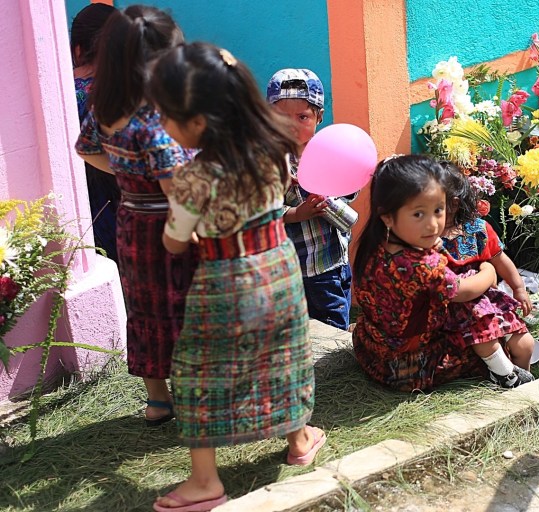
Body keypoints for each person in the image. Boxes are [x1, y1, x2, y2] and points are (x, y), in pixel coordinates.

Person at [149, 42, 325, 511]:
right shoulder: (275, 152)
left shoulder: (194, 176)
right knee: (285, 354)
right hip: (279, 268)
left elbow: (173, 241)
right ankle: (301, 439)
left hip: (225, 279)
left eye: (168, 117)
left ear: (201, 120)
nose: (163, 127)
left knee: (196, 373)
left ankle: (205, 481)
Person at [75, 5, 198, 428]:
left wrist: (130, 174)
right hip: (169, 228)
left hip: (131, 222)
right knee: (183, 307)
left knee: (145, 310)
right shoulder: (156, 122)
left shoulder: (105, 107)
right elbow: (175, 189)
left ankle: (157, 401)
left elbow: (86, 149)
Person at [353, 154, 530, 392]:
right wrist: (488, 272)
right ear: (387, 216)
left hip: (373, 347)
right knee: (481, 330)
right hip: (406, 367)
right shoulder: (420, 265)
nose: (433, 224)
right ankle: (506, 375)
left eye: (438, 210)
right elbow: (463, 292)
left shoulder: (376, 245)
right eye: (418, 214)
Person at [266, 69, 353, 331]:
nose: (292, 124)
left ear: (319, 117)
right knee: (297, 328)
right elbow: (262, 210)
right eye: (282, 117)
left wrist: (328, 190)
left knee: (334, 323)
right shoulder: (270, 160)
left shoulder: (329, 151)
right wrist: (296, 214)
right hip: (291, 268)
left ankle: (333, 366)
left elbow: (350, 189)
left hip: (331, 262)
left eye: (302, 116)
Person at [441, 164, 536, 387]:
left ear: (454, 202)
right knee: (487, 342)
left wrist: (519, 289)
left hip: (490, 300)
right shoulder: (426, 235)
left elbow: (500, 259)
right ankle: (505, 379)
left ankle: (523, 384)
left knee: (526, 345)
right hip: (457, 307)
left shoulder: (478, 229)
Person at [70, 2, 120, 263]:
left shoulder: (61, 89)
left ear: (78, 48)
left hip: (82, 204)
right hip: (128, 198)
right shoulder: (128, 89)